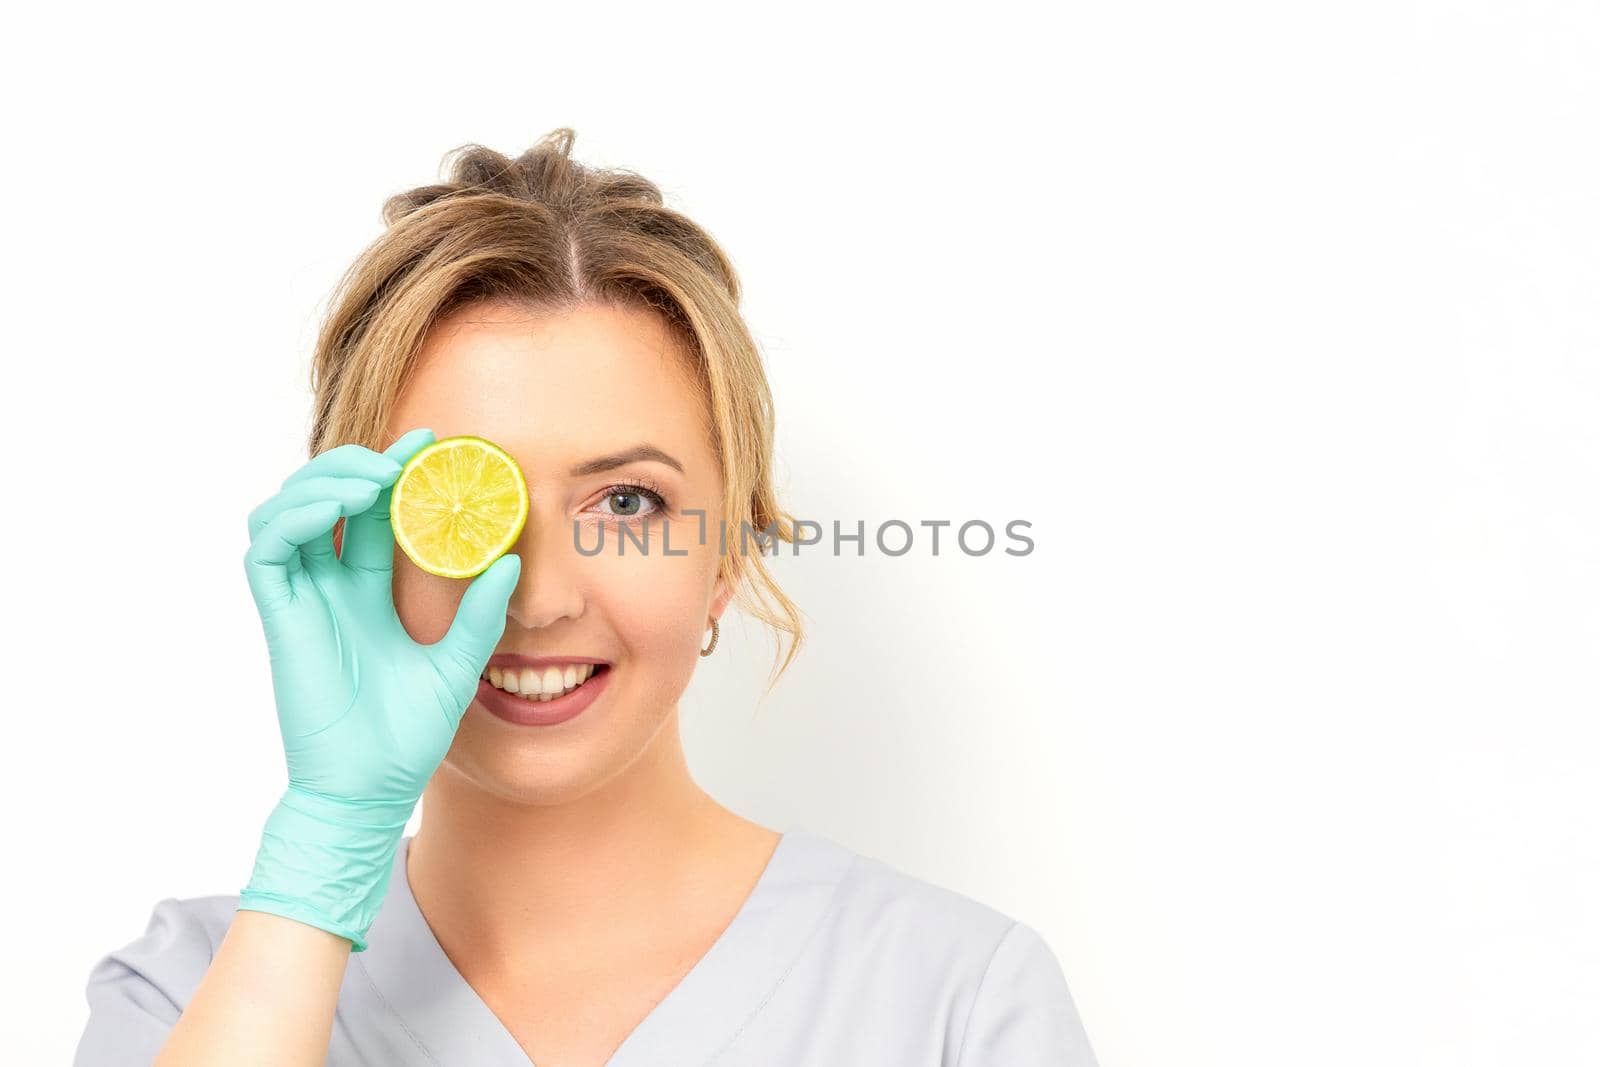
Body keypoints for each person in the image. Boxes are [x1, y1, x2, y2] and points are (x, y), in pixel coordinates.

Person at [72, 127, 1099, 1066]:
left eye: (625, 499)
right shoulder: (189, 988)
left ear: (727, 550)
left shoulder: (957, 1001)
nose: (539, 597)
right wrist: (327, 839)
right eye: (467, 501)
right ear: (352, 536)